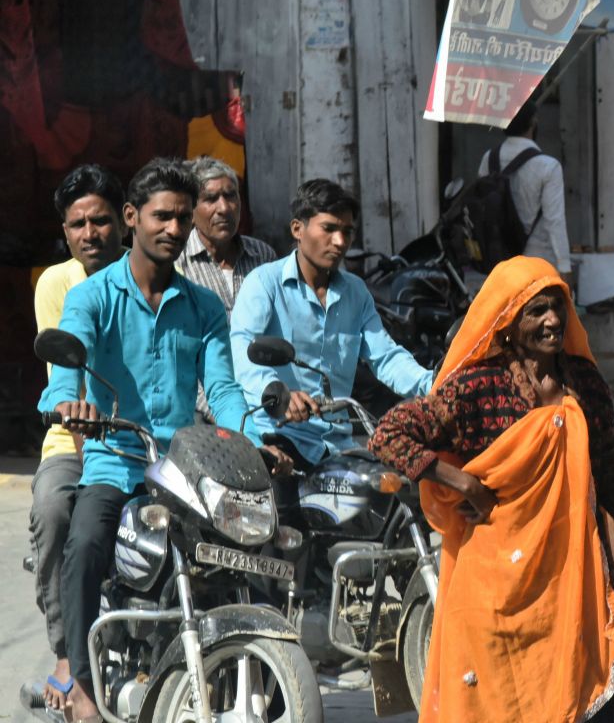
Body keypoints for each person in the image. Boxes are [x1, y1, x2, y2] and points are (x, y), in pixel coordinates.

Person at [37, 158, 291, 722]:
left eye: (182, 218)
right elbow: (66, 367)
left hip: (182, 469)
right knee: (82, 547)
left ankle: (267, 681)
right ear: (132, 218)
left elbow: (222, 389)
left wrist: (253, 436)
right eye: (162, 217)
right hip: (114, 461)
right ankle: (79, 680)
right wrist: (70, 402)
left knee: (253, 551)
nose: (174, 230)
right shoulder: (93, 296)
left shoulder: (202, 307)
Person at [367, 256, 614, 723]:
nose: (551, 321)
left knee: (603, 697)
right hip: (499, 590)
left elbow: (613, 476)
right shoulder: (479, 387)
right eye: (535, 310)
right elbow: (389, 435)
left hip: (579, 578)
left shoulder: (583, 383)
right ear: (507, 322)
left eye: (558, 307)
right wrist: (463, 482)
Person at [230, 178, 433, 470]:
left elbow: (386, 356)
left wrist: (434, 384)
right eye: (329, 229)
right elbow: (242, 349)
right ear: (297, 229)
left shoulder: (356, 291)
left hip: (339, 445)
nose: (339, 242)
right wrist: (277, 393)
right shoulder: (264, 284)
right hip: (280, 441)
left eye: (347, 232)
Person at [29, 164, 127, 712]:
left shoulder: (151, 275)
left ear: (125, 221)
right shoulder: (56, 283)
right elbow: (67, 378)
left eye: (101, 221)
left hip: (140, 437)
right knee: (52, 509)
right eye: (78, 224)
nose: (91, 234)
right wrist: (89, 446)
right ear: (64, 232)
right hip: (74, 439)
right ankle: (67, 652)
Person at [176, 156, 276, 422]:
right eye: (211, 199)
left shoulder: (263, 256)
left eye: (231, 196)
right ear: (192, 209)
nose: (224, 208)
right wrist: (222, 410)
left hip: (262, 392)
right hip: (200, 400)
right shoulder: (178, 263)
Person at [478, 100, 572, 282]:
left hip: (499, 266)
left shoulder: (488, 159)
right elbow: (555, 221)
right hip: (538, 265)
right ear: (533, 123)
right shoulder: (548, 166)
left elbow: (483, 210)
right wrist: (565, 267)